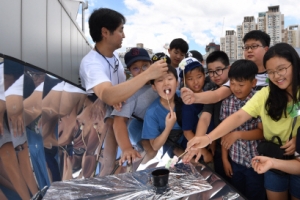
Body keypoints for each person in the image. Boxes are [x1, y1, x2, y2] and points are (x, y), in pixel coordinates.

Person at [186, 43, 300, 200]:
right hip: (271, 157)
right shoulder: (265, 94)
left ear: (294, 64)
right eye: (271, 72)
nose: (277, 76)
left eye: (281, 69)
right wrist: (207, 138)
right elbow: (239, 116)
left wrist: (298, 139)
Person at [79, 8, 167, 176]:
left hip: (117, 127)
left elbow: (117, 93)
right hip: (100, 133)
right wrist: (148, 73)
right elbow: (108, 94)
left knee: (118, 168)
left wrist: (118, 95)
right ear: (105, 32)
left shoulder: (114, 59)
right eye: (120, 30)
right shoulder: (91, 63)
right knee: (105, 170)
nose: (124, 35)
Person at [181, 30, 270, 105]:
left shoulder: (273, 73)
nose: (249, 50)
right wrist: (194, 97)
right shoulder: (238, 73)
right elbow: (217, 95)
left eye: (254, 46)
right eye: (246, 47)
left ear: (266, 49)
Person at [220, 59, 265, 200]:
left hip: (256, 163)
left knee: (255, 195)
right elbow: (224, 132)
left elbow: (262, 133)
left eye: (241, 84)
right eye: (232, 83)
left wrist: (238, 135)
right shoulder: (227, 102)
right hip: (235, 161)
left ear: (253, 83)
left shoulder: (260, 101)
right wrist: (224, 159)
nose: (236, 88)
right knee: (236, 194)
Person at [183, 51, 230, 181]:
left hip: (238, 147)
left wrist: (194, 97)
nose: (215, 75)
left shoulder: (235, 84)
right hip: (219, 146)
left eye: (219, 70)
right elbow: (205, 117)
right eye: (211, 72)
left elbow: (217, 96)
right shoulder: (212, 88)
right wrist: (198, 143)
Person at [111, 48, 158, 165]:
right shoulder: (129, 92)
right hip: (140, 129)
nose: (142, 71)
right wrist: (126, 148)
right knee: (151, 152)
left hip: (163, 128)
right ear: (129, 71)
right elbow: (119, 121)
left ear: (151, 65)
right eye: (136, 68)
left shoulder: (161, 82)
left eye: (145, 66)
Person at [142, 65, 183, 156]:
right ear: (154, 87)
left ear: (177, 83)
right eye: (160, 80)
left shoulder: (184, 97)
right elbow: (155, 146)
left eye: (169, 78)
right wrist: (168, 127)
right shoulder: (152, 113)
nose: (166, 83)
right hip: (172, 150)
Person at [178, 57, 213, 165]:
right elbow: (187, 132)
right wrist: (204, 152)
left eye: (199, 76)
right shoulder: (188, 104)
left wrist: (212, 143)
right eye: (190, 78)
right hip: (195, 151)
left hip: (209, 143)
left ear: (204, 75)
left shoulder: (209, 94)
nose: (196, 82)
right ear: (184, 81)